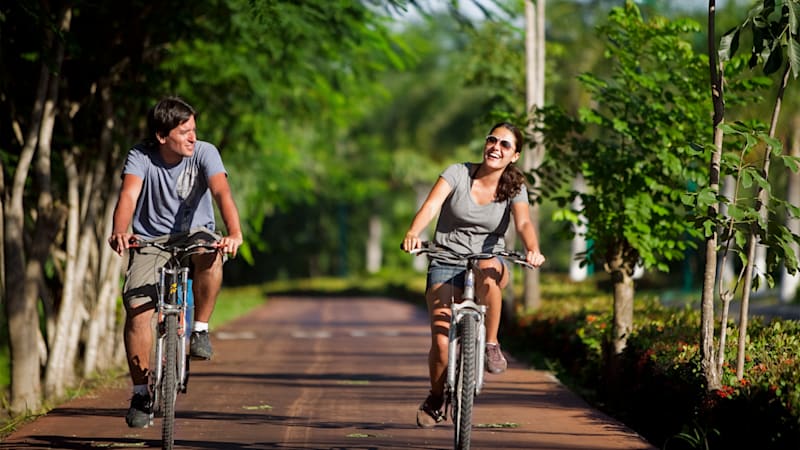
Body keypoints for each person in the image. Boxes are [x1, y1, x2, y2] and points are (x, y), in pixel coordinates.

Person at [108, 96, 243, 428]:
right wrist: (119, 230)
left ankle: (199, 330)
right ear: (161, 135)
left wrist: (234, 233)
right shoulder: (141, 156)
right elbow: (128, 195)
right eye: (184, 132)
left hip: (196, 233)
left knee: (212, 254)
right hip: (151, 241)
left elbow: (221, 192)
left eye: (194, 130)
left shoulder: (205, 153)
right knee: (138, 307)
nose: (192, 138)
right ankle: (141, 392)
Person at [401, 121, 546, 428]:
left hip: (487, 260)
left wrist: (532, 248)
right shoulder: (457, 173)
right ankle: (437, 396)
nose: (496, 147)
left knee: (488, 271)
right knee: (441, 344)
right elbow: (431, 206)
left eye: (505, 145)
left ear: (515, 155)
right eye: (492, 140)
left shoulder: (515, 187)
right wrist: (414, 232)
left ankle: (491, 344)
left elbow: (523, 224)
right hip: (446, 257)